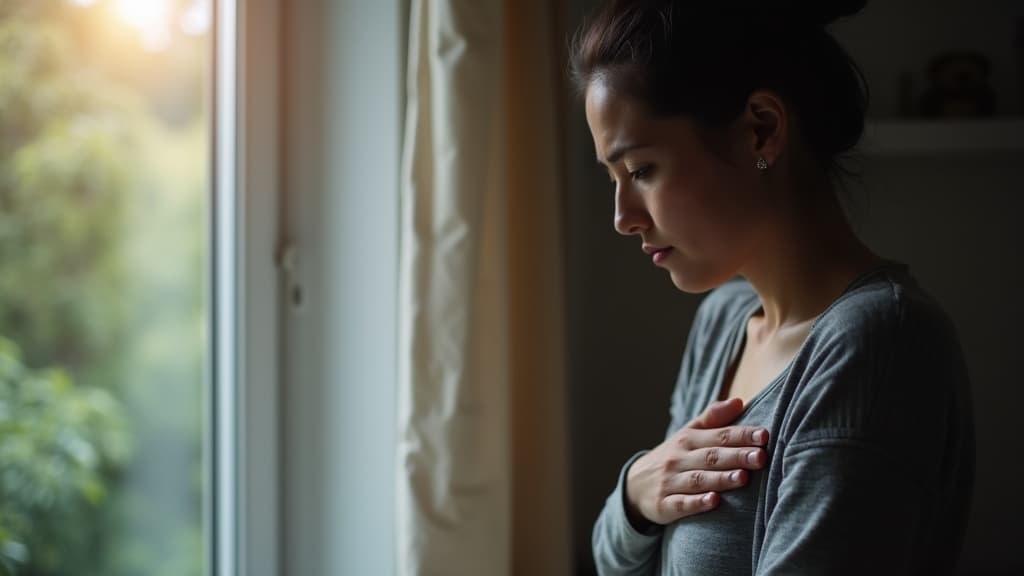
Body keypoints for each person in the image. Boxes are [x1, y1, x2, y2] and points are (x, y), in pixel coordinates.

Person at [569, 0, 975, 574]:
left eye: (640, 170)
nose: (622, 216)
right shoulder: (724, 321)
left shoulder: (877, 343)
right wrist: (637, 493)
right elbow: (618, 562)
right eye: (613, 179)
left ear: (762, 129)